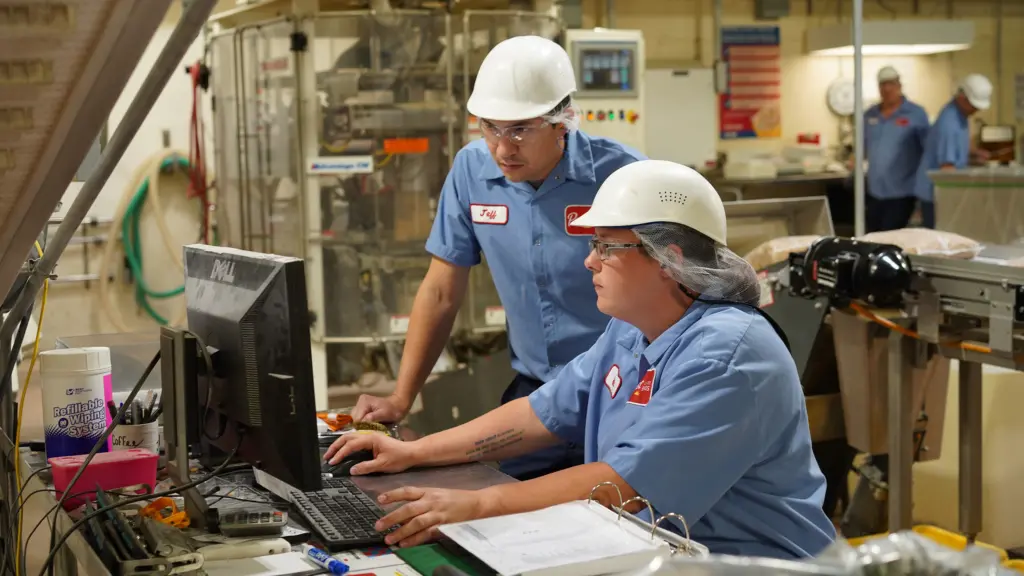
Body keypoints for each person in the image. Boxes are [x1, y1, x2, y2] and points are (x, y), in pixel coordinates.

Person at [326, 159, 837, 559]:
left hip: (751, 565)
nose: (589, 260)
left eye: (607, 247)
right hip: (659, 554)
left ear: (670, 259)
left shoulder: (728, 356)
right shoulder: (632, 329)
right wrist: (416, 453)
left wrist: (476, 505)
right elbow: (544, 411)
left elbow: (626, 486)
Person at [349, 35, 645, 481]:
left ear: (562, 121)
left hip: (616, 393)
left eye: (521, 129)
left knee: (619, 522)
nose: (503, 147)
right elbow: (440, 291)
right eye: (489, 127)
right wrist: (399, 399)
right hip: (534, 399)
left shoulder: (623, 177)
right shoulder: (472, 172)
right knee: (514, 525)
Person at [913, 73, 992, 229]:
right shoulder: (949, 123)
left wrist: (973, 155)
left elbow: (955, 152)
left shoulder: (960, 116)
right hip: (936, 196)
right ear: (962, 97)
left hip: (938, 194)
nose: (976, 110)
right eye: (974, 105)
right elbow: (947, 169)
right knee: (940, 242)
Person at [863, 66, 930, 232]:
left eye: (891, 84)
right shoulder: (870, 115)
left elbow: (927, 150)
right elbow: (862, 147)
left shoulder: (915, 114)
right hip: (875, 191)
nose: (887, 89)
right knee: (872, 237)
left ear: (899, 85)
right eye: (883, 85)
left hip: (902, 192)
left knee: (890, 237)